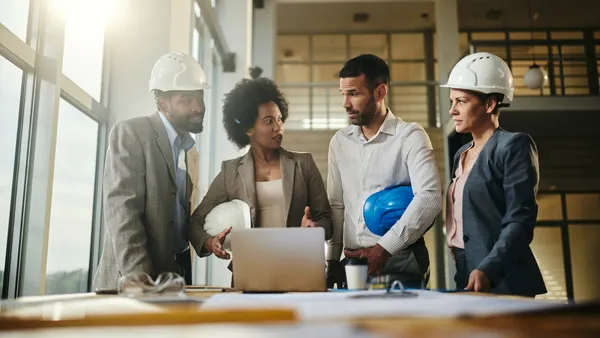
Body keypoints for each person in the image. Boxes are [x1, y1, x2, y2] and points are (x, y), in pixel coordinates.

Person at [93, 52, 228, 289]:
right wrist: (140, 279)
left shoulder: (189, 151)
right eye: (186, 100)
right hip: (134, 282)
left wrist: (206, 242)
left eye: (200, 97)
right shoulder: (132, 133)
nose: (198, 107)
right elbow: (122, 213)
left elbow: (178, 218)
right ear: (162, 102)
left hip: (174, 278)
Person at [187, 77, 333, 273]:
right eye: (268, 121)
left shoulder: (303, 164)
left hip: (300, 268)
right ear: (248, 128)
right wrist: (210, 243)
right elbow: (195, 222)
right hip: (251, 271)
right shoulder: (230, 172)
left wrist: (315, 228)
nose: (278, 127)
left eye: (280, 119)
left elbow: (327, 219)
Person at [326, 54, 443, 289]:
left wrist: (384, 248)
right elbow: (337, 205)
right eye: (344, 94)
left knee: (400, 327)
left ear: (379, 93)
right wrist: (331, 259)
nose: (346, 104)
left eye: (354, 94)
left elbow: (429, 197)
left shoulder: (410, 136)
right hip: (352, 264)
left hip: (401, 261)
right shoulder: (339, 142)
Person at [441, 52, 546, 297]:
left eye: (462, 101)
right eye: (452, 101)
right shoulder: (461, 154)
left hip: (502, 276)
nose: (452, 111)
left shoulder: (514, 146)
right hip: (466, 273)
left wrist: (489, 269)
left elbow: (520, 220)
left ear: (489, 104)